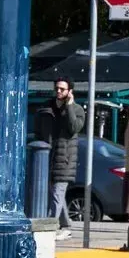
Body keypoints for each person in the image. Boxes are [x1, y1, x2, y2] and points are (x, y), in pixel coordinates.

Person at [46, 79, 85, 229]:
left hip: (65, 159)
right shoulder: (49, 107)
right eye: (57, 88)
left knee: (57, 193)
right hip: (49, 157)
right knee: (56, 195)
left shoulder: (77, 110)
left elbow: (74, 128)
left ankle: (50, 226)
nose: (59, 91)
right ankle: (66, 225)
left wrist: (68, 106)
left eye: (62, 89)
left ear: (70, 91)